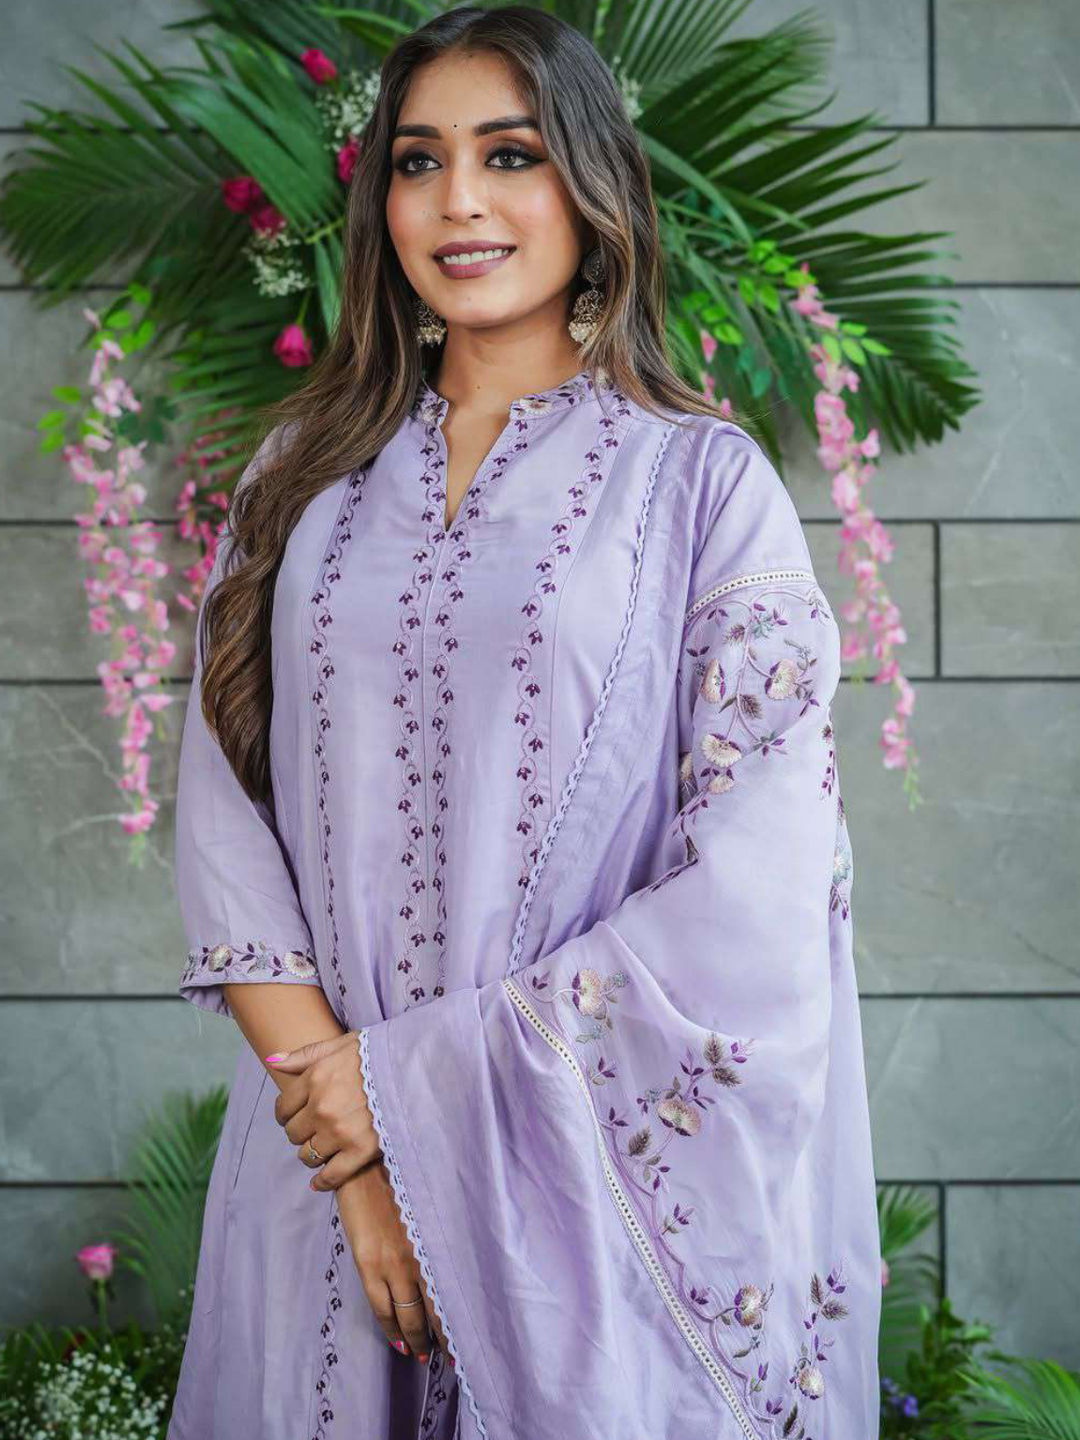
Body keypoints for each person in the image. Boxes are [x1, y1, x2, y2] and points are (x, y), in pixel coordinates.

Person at [167, 7, 881, 1439]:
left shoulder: (699, 487)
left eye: (510, 155)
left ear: (591, 184)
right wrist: (363, 1161)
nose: (459, 201)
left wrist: (406, 1099)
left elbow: (760, 880)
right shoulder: (299, 481)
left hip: (574, 1188)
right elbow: (227, 825)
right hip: (317, 1184)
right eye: (417, 161)